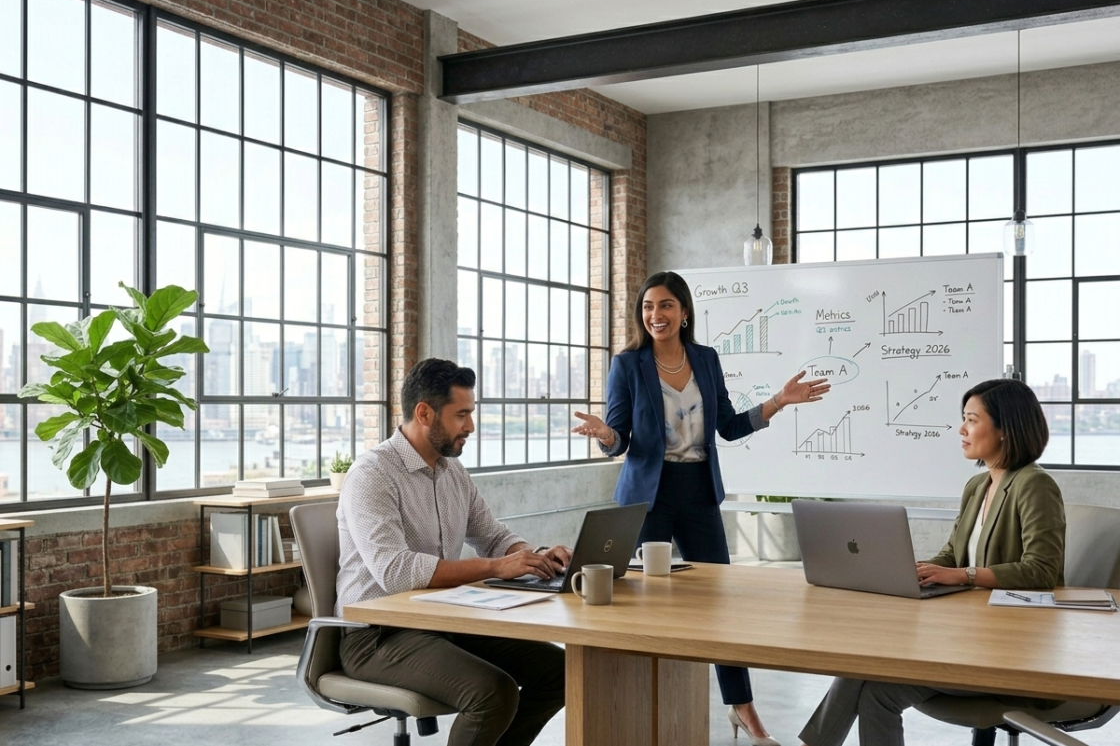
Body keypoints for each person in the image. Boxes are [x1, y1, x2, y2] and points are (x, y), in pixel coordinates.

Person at [571, 270, 831, 746]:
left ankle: (743, 709)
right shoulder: (627, 365)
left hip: (698, 491)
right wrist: (605, 435)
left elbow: (729, 426)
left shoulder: (706, 360)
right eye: (648, 307)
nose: (656, 315)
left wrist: (778, 401)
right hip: (647, 495)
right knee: (643, 603)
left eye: (666, 305)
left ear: (684, 311)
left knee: (719, 605)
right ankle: (637, 707)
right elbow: (619, 439)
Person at [798, 378, 1066, 746]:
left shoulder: (1034, 484)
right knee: (872, 676)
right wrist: (911, 568)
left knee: (873, 672)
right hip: (970, 637)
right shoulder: (978, 486)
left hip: (1011, 653)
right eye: (963, 418)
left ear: (1005, 429)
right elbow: (953, 554)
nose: (961, 429)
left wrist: (962, 575)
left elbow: (1042, 571)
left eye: (972, 420)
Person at [336, 358, 571, 746]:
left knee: (560, 671)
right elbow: (395, 572)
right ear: (424, 413)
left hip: (443, 621)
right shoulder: (372, 474)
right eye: (461, 415)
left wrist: (537, 556)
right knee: (492, 692)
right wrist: (497, 566)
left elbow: (492, 536)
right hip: (377, 636)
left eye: (471, 413)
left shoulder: (451, 471)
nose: (471, 426)